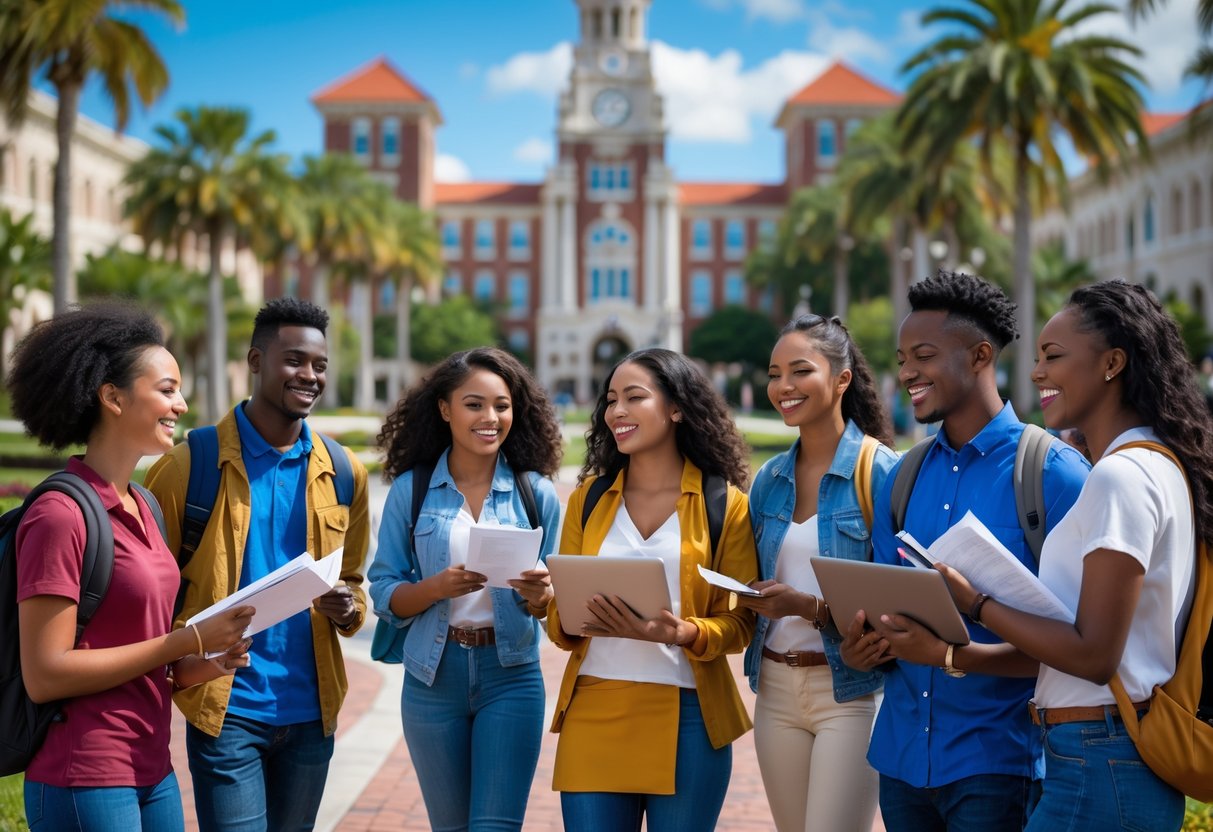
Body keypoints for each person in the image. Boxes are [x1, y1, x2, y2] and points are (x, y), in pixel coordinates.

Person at [922, 281, 1213, 831]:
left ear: (1112, 363)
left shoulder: (1120, 478)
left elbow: (1094, 654)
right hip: (1105, 755)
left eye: (1053, 357)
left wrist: (975, 602)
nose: (1036, 373)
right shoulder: (1160, 464)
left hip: (1102, 758)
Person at [841, 270, 1090, 832]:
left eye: (923, 356)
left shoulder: (1054, 475)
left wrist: (951, 656)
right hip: (901, 763)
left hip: (997, 765)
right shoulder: (900, 478)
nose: (906, 372)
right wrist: (864, 647)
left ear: (980, 355)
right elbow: (888, 610)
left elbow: (1084, 649)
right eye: (902, 357)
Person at [9, 303, 253, 832]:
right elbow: (46, 674)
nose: (182, 405)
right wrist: (186, 641)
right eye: (166, 390)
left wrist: (209, 658)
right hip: (83, 773)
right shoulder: (60, 516)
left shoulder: (145, 506)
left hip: (153, 769)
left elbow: (147, 655)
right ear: (113, 397)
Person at [145, 298, 370, 832]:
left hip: (312, 713)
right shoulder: (188, 467)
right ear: (255, 360)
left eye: (319, 366)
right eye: (294, 360)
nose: (310, 376)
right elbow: (149, 590)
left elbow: (356, 587)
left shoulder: (344, 472)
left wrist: (346, 607)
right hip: (227, 709)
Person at [547, 348, 758, 832]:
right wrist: (548, 604)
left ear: (676, 407)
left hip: (689, 717)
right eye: (611, 399)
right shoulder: (588, 498)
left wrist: (684, 632)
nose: (616, 411)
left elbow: (742, 624)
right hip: (594, 707)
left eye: (634, 397)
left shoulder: (725, 503)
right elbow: (563, 625)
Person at [368, 347, 563, 831]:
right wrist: (434, 587)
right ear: (445, 409)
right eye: (474, 404)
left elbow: (554, 597)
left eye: (502, 405)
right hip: (433, 679)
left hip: (511, 676)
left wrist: (541, 597)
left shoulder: (535, 492)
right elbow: (383, 592)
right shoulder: (410, 490)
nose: (490, 417)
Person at [739, 314, 899, 832]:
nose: (783, 387)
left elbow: (899, 603)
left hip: (849, 693)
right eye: (774, 373)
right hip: (776, 689)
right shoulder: (769, 479)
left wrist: (806, 608)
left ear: (841, 379)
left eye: (800, 371)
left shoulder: (879, 472)